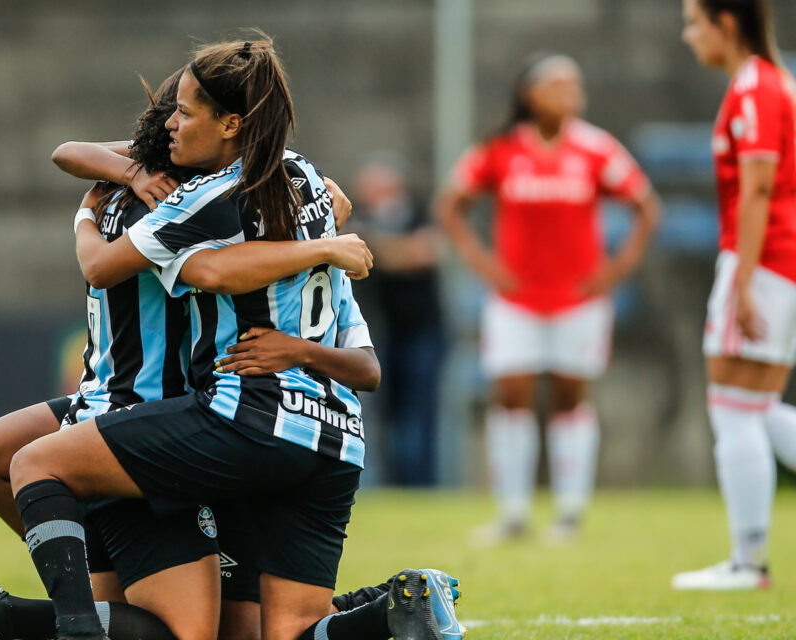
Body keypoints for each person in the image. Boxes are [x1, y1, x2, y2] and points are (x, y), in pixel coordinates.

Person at [0, 63, 464, 640]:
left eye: (184, 112)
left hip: (188, 423)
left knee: (208, 624)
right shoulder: (231, 194)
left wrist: (297, 338)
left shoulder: (210, 201)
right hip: (197, 425)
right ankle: (381, 608)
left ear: (227, 126)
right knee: (209, 624)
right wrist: (323, 247)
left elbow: (146, 243)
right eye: (171, 113)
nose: (173, 124)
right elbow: (182, 251)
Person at [436, 52, 661, 544]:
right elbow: (450, 204)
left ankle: (569, 513)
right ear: (529, 94)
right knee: (511, 395)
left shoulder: (597, 148)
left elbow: (646, 207)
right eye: (558, 84)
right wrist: (483, 263)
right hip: (515, 299)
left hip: (578, 299)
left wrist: (616, 268)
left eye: (574, 84)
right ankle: (513, 514)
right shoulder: (500, 148)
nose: (570, 93)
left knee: (569, 398)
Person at [675, 0, 796, 591]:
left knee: (731, 406)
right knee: (758, 408)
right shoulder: (775, 83)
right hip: (782, 260)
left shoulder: (754, 88)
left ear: (726, 23)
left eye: (694, 21)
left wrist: (743, 282)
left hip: (765, 260)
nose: (687, 34)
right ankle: (747, 561)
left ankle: (748, 564)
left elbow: (759, 190)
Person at [341, 153, 445, 486]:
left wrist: (376, 247)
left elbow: (423, 253)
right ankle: (378, 486)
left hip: (422, 332)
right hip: (379, 332)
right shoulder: (361, 220)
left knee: (418, 417)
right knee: (374, 414)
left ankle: (418, 487)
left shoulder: (418, 212)